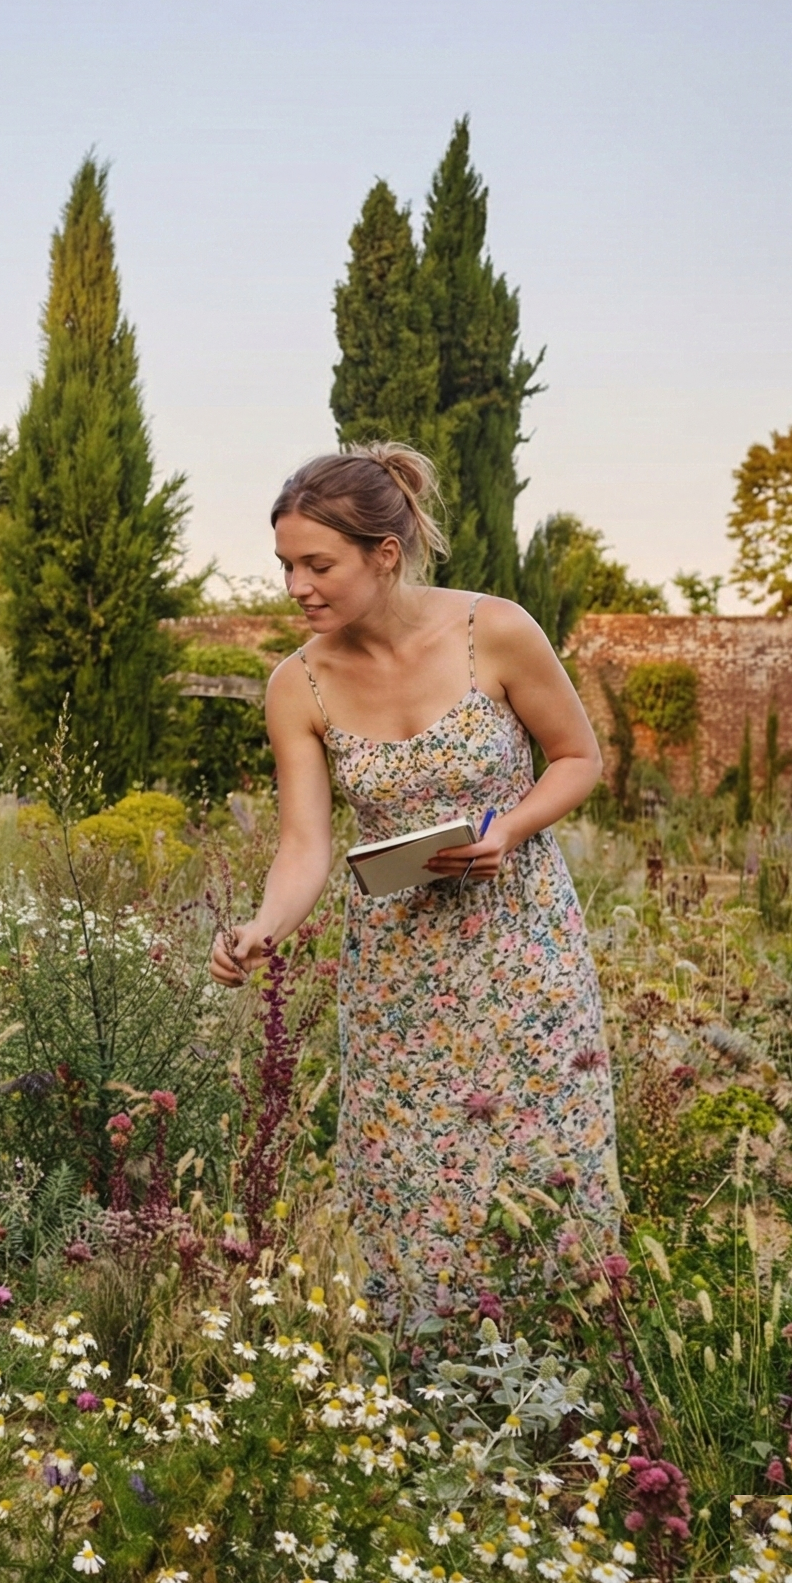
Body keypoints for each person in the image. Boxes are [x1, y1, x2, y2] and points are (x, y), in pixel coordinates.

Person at [209, 444, 621, 1318]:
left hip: (523, 947)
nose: (296, 587)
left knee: (540, 1149)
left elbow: (579, 758)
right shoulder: (297, 685)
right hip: (397, 973)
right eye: (286, 566)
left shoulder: (494, 631)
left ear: (385, 554)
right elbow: (304, 845)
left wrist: (508, 828)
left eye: (318, 565)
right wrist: (261, 929)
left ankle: (564, 1346)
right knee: (411, 1168)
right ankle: (426, 1360)